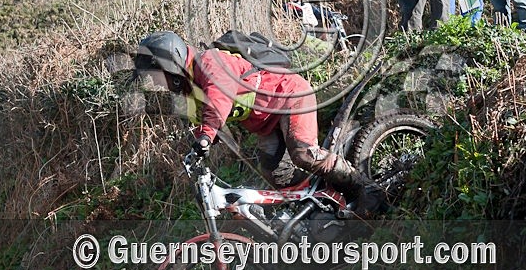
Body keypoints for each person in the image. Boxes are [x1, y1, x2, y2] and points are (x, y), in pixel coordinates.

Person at [133, 30, 384, 217]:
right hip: (268, 124)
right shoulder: (189, 89)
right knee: (276, 173)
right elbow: (207, 123)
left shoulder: (209, 62)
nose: (157, 83)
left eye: (157, 76)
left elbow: (218, 102)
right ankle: (327, 200)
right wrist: (199, 144)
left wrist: (207, 135)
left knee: (304, 154)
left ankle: (366, 188)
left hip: (289, 97)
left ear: (171, 64)